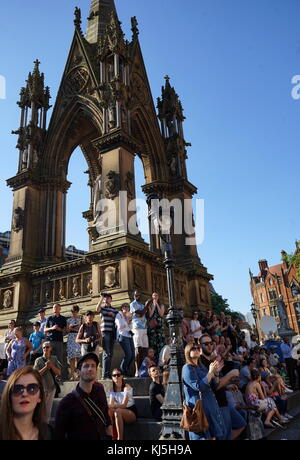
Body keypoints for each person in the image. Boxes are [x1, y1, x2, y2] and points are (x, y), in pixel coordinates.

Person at [54, 353, 113, 440]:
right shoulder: (67, 402)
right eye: (86, 366)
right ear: (78, 372)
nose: (90, 369)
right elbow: (59, 434)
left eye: (93, 366)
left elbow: (106, 418)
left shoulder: (99, 390)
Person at [199, 334, 246, 440]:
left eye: (211, 343)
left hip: (223, 401)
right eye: (206, 344)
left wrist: (227, 385)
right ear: (200, 346)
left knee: (240, 424)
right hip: (217, 404)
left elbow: (217, 383)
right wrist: (231, 374)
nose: (209, 346)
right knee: (223, 434)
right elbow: (213, 387)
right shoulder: (201, 363)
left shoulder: (211, 361)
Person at [182, 341, 226, 440]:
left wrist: (216, 373)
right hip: (198, 409)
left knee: (212, 436)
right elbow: (198, 386)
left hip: (210, 406)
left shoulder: (201, 366)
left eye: (198, 348)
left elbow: (214, 384)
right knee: (201, 437)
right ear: (188, 352)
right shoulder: (187, 368)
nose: (197, 350)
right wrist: (210, 372)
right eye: (193, 348)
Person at [0, 366, 50, 440]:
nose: (25, 394)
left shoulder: (49, 433)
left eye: (32, 388)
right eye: (17, 389)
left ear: (40, 397)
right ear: (9, 396)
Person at [34, 342, 62, 421]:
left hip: (51, 387)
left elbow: (59, 373)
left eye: (47, 347)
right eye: (44, 347)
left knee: (48, 410)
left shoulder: (54, 358)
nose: (45, 349)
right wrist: (46, 367)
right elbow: (36, 374)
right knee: (40, 409)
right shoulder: (38, 360)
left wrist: (51, 366)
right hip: (41, 388)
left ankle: (46, 427)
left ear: (51, 348)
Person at [108, 368, 137, 440]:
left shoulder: (127, 387)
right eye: (114, 375)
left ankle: (119, 438)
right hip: (118, 411)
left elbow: (124, 405)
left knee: (117, 411)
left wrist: (112, 406)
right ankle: (110, 436)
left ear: (122, 376)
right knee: (108, 411)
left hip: (131, 412)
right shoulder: (112, 389)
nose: (116, 377)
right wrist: (109, 406)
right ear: (112, 377)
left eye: (118, 375)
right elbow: (110, 404)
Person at [97, 294, 118, 379]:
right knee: (106, 353)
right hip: (105, 332)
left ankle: (107, 373)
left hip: (112, 332)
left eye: (107, 298)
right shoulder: (103, 308)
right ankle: (105, 375)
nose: (106, 299)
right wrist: (101, 298)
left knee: (110, 354)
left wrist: (113, 315)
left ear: (111, 300)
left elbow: (118, 318)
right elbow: (97, 309)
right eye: (105, 298)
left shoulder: (114, 310)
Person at [130, 291, 149, 377]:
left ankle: (143, 369)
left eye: (139, 295)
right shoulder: (133, 304)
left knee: (145, 350)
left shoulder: (142, 305)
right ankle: (137, 370)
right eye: (136, 295)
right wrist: (147, 306)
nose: (137, 296)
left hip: (144, 328)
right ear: (133, 296)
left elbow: (146, 314)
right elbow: (141, 313)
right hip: (136, 328)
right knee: (138, 349)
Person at [44, 304, 67, 374]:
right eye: (54, 307)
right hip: (50, 340)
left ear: (60, 309)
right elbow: (45, 329)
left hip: (59, 341)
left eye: (56, 307)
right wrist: (52, 328)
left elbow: (65, 330)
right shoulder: (49, 318)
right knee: (48, 357)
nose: (55, 309)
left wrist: (59, 329)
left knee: (59, 358)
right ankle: (49, 374)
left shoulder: (63, 318)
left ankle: (59, 375)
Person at [115, 303, 135, 377]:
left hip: (129, 336)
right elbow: (120, 326)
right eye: (125, 307)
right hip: (123, 336)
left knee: (133, 355)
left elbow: (130, 327)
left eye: (128, 307)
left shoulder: (128, 316)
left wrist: (129, 320)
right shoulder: (119, 315)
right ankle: (123, 370)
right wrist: (127, 321)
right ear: (122, 308)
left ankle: (126, 370)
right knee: (128, 354)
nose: (126, 308)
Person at [66, 305, 82, 381]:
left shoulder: (81, 319)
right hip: (71, 338)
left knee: (78, 357)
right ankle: (72, 375)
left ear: (77, 311)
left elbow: (82, 329)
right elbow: (67, 331)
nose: (74, 313)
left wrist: (78, 327)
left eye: (75, 311)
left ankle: (78, 374)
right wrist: (70, 327)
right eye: (72, 311)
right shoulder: (69, 320)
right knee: (71, 358)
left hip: (78, 337)